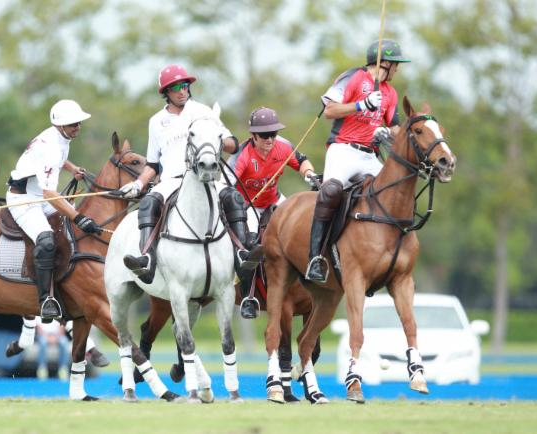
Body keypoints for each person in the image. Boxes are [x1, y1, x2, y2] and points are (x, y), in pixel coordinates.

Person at [118, 64, 256, 284]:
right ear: (166, 92)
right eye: (175, 88)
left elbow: (233, 145)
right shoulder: (156, 121)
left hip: (205, 179)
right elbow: (153, 163)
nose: (182, 91)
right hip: (172, 181)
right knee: (148, 203)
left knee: (234, 197)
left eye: (184, 85)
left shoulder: (204, 112)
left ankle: (242, 253)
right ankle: (147, 258)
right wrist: (138, 184)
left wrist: (215, 140)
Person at [305, 39, 410, 283]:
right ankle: (315, 257)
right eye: (395, 64)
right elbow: (330, 110)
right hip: (343, 149)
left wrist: (391, 133)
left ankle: (391, 252)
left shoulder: (390, 92)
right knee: (330, 191)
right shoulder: (353, 77)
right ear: (384, 63)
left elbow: (395, 127)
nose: (397, 69)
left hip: (369, 154)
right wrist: (362, 104)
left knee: (395, 189)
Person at [7, 99, 103, 322]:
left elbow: (60, 158)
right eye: (73, 124)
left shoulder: (60, 137)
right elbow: (50, 194)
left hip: (41, 195)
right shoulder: (49, 146)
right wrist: (78, 217)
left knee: (70, 231)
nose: (77, 127)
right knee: (47, 240)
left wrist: (72, 168)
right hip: (24, 199)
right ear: (60, 125)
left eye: (78, 123)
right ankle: (45, 300)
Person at [232, 107, 316, 318]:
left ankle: (314, 275)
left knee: (301, 229)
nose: (270, 139)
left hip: (274, 200)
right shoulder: (243, 155)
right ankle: (248, 297)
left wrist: (309, 174)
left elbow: (302, 161)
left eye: (273, 133)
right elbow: (228, 184)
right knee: (250, 246)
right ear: (253, 135)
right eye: (264, 135)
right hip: (248, 206)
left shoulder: (282, 146)